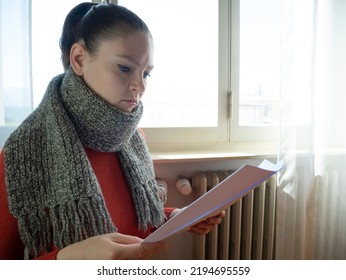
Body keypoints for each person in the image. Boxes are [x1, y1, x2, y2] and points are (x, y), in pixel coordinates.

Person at [0, 2, 224, 260]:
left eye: (146, 73)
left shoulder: (132, 138)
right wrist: (66, 259)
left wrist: (175, 216)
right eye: (125, 68)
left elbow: (134, 221)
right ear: (79, 59)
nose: (139, 85)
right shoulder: (21, 154)